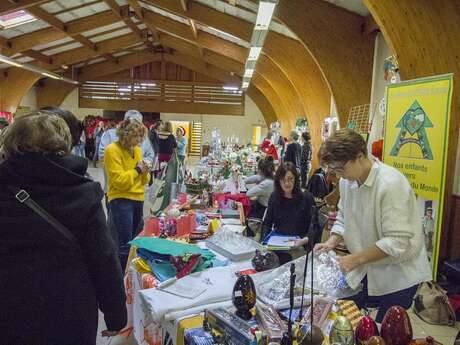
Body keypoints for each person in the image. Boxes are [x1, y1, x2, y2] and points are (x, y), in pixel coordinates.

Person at [0, 112, 127, 344]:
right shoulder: (83, 192)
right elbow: (103, 258)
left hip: (8, 308)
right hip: (69, 308)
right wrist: (115, 314)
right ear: (63, 144)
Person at [314, 129, 431, 323]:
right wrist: (332, 242)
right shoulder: (347, 181)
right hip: (368, 266)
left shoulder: (390, 184)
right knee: (352, 318)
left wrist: (355, 259)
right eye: (334, 170)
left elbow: (397, 241)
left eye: (341, 168)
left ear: (359, 156)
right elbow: (344, 216)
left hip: (398, 274)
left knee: (387, 330)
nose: (338, 175)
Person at [105, 119, 150, 269]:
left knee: (135, 241)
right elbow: (119, 181)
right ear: (125, 135)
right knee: (124, 244)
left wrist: (144, 172)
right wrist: (137, 171)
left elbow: (145, 181)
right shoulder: (112, 150)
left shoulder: (137, 150)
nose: (139, 140)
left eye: (141, 137)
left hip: (138, 198)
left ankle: (130, 275)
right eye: (136, 136)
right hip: (121, 200)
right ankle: (120, 279)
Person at [262, 162, 316, 264]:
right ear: (278, 181)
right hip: (277, 244)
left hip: (300, 245)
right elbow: (267, 222)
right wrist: (264, 242)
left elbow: (315, 227)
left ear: (296, 179)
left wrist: (304, 240)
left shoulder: (306, 197)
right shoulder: (274, 196)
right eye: (283, 180)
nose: (287, 183)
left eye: (290, 179)